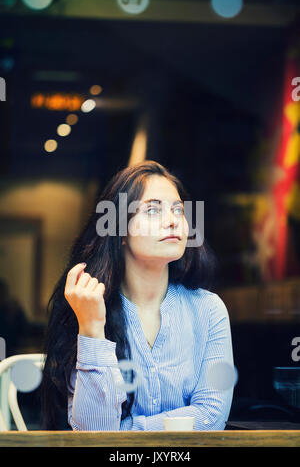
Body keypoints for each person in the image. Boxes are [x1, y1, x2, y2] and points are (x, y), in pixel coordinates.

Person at [40, 160, 234, 430]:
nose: (172, 221)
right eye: (153, 210)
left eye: (178, 210)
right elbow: (94, 434)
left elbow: (211, 417)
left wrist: (127, 431)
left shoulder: (209, 310)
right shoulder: (88, 306)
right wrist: (92, 329)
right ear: (118, 230)